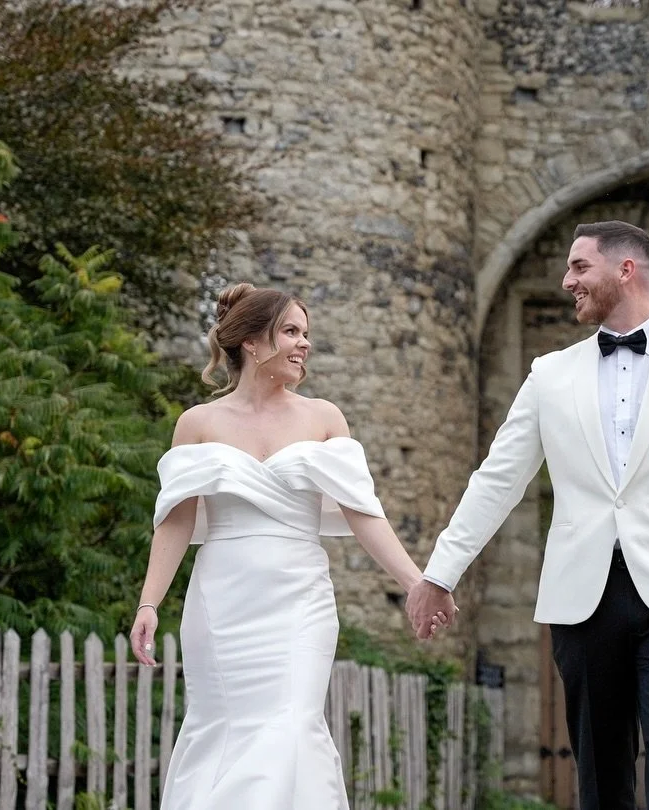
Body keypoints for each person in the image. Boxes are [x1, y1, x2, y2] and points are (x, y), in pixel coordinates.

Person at [407, 221, 649, 810]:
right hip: (583, 595)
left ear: (625, 270)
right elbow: (498, 479)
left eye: (578, 267)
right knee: (601, 764)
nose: (567, 280)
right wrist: (440, 573)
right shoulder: (550, 375)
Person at [130, 283, 456, 810]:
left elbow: (363, 512)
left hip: (300, 599)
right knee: (221, 727)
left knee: (292, 722)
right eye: (291, 332)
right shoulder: (197, 423)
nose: (304, 344)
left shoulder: (324, 418)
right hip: (222, 599)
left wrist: (417, 583)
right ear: (252, 343)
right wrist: (149, 603)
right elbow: (174, 521)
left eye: (306, 333)